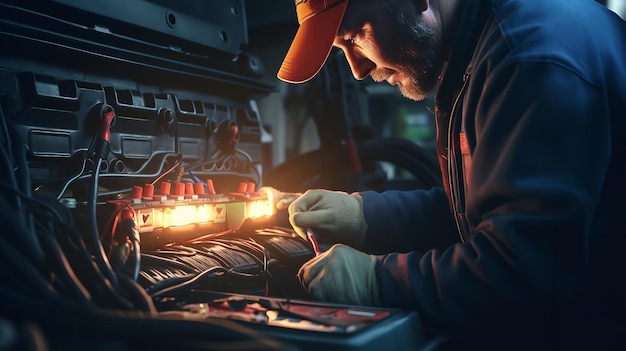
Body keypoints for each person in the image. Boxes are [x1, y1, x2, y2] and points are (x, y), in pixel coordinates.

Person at [265, 0, 626, 349]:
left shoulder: (530, 58)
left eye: (355, 35)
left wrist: (379, 281)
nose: (357, 69)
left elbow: (525, 270)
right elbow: (483, 214)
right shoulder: (487, 47)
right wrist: (366, 217)